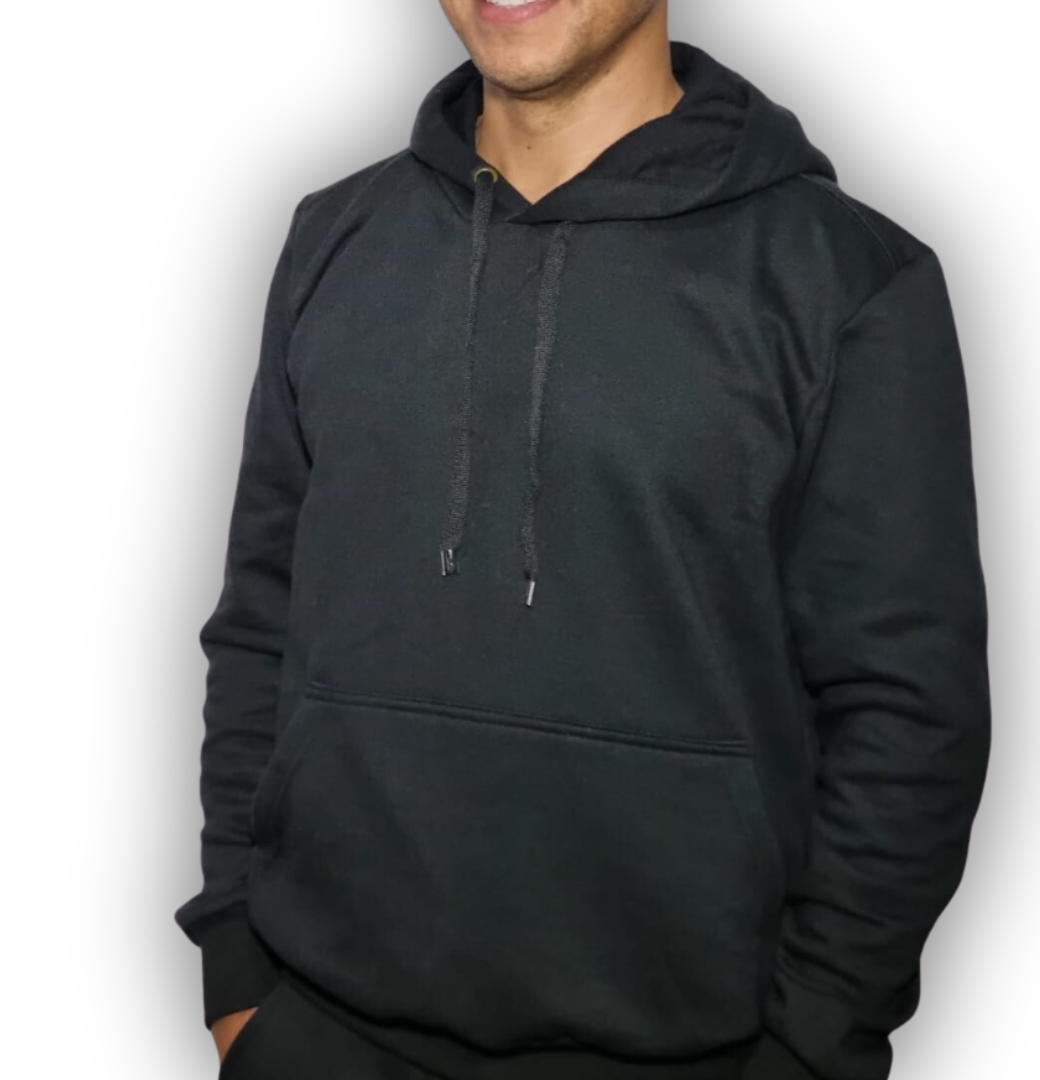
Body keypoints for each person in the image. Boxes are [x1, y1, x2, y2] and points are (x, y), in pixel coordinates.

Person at [174, 2, 992, 1077]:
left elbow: (909, 712)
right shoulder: (334, 239)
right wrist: (237, 971)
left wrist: (814, 1044)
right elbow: (259, 624)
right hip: (317, 1027)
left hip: (689, 1049)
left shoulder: (846, 281)